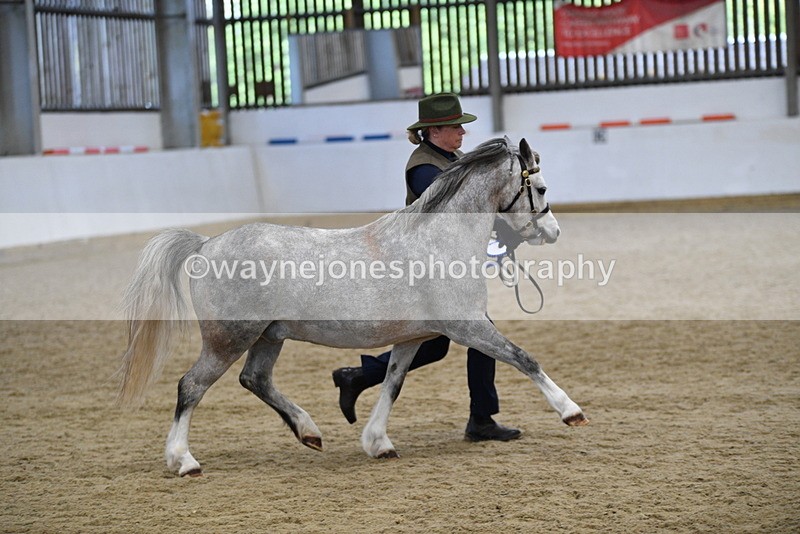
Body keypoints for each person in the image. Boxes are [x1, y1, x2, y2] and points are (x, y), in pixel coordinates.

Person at [332, 93, 522, 442]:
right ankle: (481, 419)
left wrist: (505, 232)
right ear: (435, 130)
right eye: (456, 127)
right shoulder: (423, 166)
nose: (463, 133)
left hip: (440, 267)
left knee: (435, 345)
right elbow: (447, 213)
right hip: (420, 271)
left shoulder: (454, 158)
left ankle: (359, 376)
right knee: (481, 337)